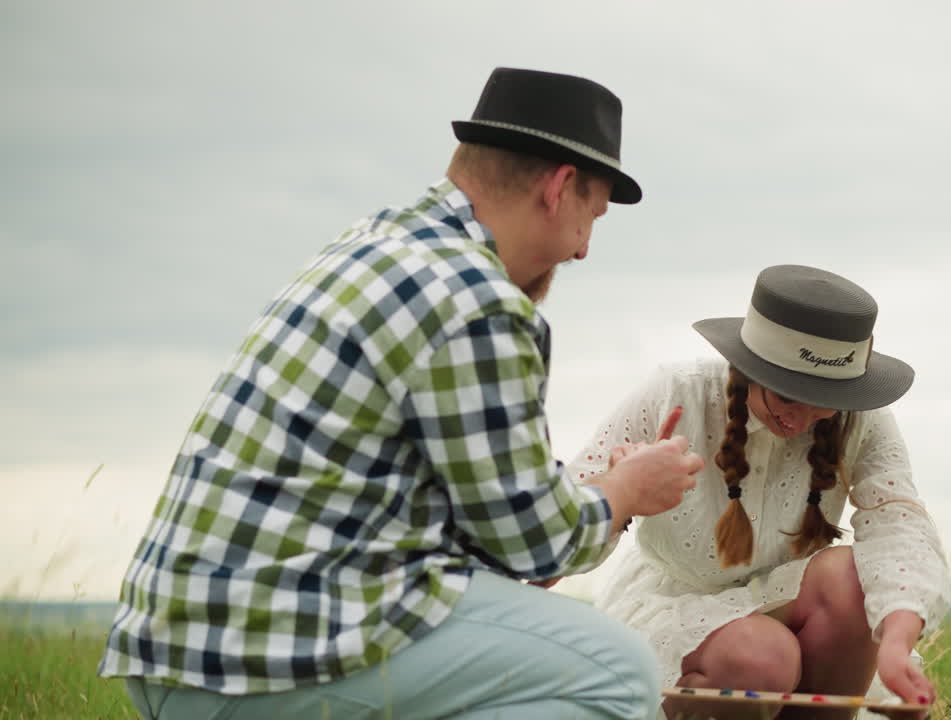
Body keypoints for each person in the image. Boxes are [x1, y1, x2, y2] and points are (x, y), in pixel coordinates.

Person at [98, 67, 704, 720]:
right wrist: (625, 493)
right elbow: (535, 544)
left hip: (182, 649)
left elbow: (486, 527)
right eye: (593, 214)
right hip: (265, 656)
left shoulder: (375, 246)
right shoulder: (476, 300)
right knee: (620, 671)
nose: (584, 249)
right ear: (560, 188)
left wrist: (585, 501)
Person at [565, 265, 951, 720]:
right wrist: (620, 491)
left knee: (850, 577)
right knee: (763, 658)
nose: (801, 420)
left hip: (790, 600)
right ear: (748, 368)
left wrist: (895, 639)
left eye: (821, 400)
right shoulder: (676, 389)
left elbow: (898, 525)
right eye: (787, 396)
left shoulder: (862, 420)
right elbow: (564, 520)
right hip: (677, 603)